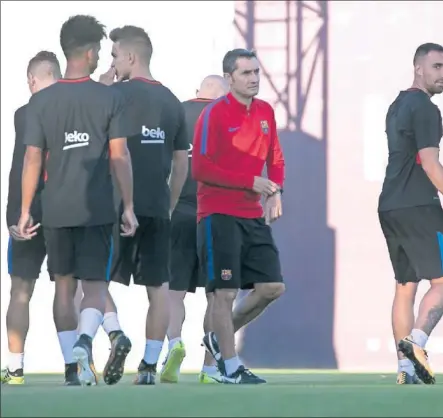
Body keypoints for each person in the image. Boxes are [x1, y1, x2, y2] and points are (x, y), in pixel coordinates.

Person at [18, 15, 138, 387]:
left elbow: (32, 158)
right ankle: (86, 343)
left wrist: (24, 211)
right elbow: (120, 156)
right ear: (89, 53)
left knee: (64, 287)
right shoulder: (109, 97)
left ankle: (73, 367)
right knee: (96, 285)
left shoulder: (41, 102)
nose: (101, 57)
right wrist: (129, 206)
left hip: (55, 208)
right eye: (99, 51)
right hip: (97, 208)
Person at [98, 25, 189, 386]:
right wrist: (169, 204)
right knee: (159, 289)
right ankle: (149, 367)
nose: (112, 62)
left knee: (89, 281)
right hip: (156, 207)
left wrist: (102, 85)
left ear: (130, 57)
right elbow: (182, 164)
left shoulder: (113, 95)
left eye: (115, 55)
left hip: (115, 206)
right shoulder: (172, 100)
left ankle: (115, 333)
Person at [192, 49, 286, 384]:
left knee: (272, 287)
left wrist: (276, 190)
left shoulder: (265, 112)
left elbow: (275, 158)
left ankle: (218, 338)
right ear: (229, 78)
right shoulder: (214, 114)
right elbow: (199, 167)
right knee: (224, 293)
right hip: (218, 214)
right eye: (246, 73)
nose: (254, 79)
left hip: (252, 216)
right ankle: (229, 367)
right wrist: (251, 181)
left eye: (256, 72)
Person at [378, 42, 443, 386]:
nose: (442, 74)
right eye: (437, 67)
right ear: (419, 67)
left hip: (390, 205)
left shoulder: (397, 104)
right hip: (419, 205)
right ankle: (415, 343)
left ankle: (405, 369)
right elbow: (431, 164)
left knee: (405, 287)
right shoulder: (426, 109)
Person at [1, 51, 65, 385]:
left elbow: (21, 167)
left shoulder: (24, 113)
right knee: (70, 289)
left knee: (21, 291)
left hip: (29, 213)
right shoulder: (76, 110)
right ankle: (76, 366)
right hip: (65, 213)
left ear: (32, 80)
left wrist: (15, 216)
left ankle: (15, 369)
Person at [160, 75, 229, 385]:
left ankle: (174, 344)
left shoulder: (175, 112)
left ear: (196, 92)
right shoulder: (228, 117)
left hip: (178, 211)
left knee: (173, 292)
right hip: (215, 213)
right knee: (217, 296)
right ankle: (210, 367)